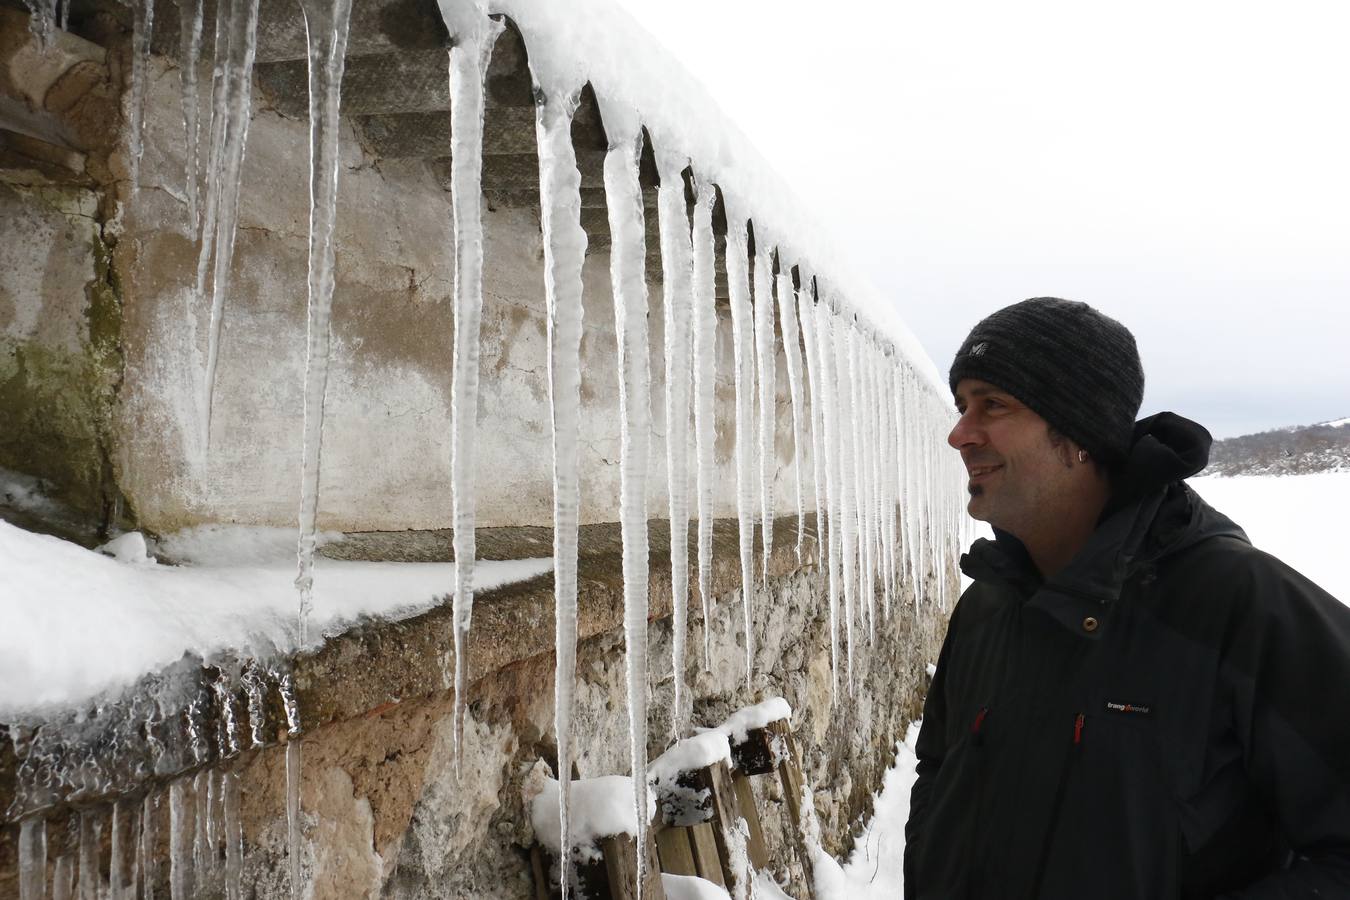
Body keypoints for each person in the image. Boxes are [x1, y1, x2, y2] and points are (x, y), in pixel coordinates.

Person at [903, 297, 1350, 899]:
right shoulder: (987, 605)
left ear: (1081, 434)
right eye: (962, 405)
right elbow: (937, 770)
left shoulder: (1241, 605)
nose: (960, 434)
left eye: (993, 404)